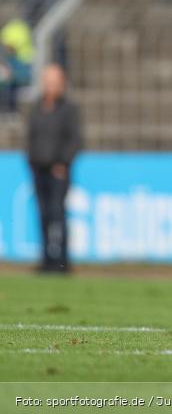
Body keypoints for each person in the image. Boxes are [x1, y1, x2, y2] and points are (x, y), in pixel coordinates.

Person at [26, 64, 82, 273]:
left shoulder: (69, 109)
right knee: (43, 216)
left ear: (62, 84)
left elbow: (75, 140)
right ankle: (46, 260)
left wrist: (63, 163)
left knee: (57, 214)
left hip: (58, 172)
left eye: (54, 82)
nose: (50, 86)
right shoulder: (36, 107)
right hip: (38, 170)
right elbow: (31, 138)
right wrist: (31, 161)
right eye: (47, 81)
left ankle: (62, 261)